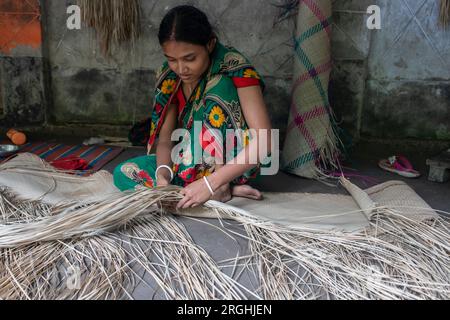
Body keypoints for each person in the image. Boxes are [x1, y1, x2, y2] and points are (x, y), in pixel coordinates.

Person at [113, 5, 273, 209]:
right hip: (189, 160)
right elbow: (165, 140)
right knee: (124, 173)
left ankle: (219, 186)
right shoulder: (170, 76)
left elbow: (265, 140)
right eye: (172, 60)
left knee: (219, 85)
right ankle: (206, 191)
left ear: (210, 44)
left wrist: (211, 181)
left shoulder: (235, 69)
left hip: (235, 163)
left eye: (190, 58)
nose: (181, 69)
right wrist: (163, 174)